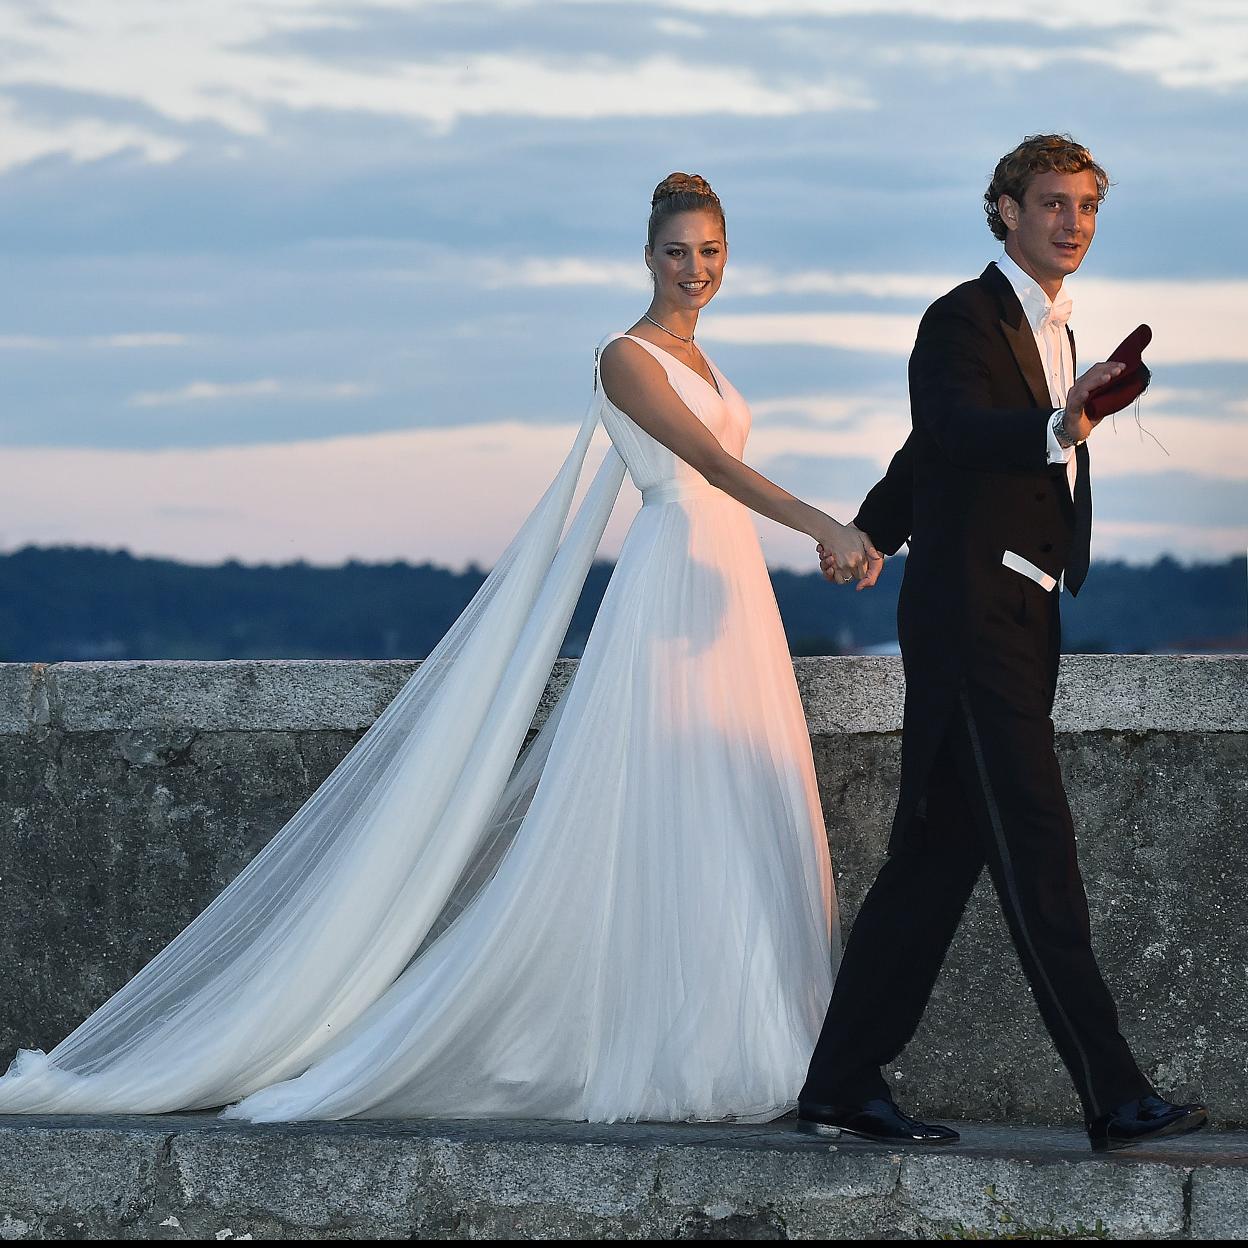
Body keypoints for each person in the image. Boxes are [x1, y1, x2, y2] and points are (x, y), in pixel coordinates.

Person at [0, 173, 874, 1124]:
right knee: (667, 811)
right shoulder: (626, 357)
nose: (693, 269)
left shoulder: (710, 364)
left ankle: (745, 1035)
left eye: (709, 251)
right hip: (670, 580)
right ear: (646, 255)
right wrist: (821, 522)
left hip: (731, 589)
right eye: (675, 251)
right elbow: (707, 466)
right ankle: (664, 1046)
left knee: (733, 811)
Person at [798, 134, 1210, 1153]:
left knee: (933, 864)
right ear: (1006, 211)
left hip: (1027, 621)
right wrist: (1056, 423)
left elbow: (921, 456)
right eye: (1053, 204)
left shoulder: (1062, 333)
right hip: (970, 618)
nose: (1073, 223)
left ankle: (840, 1086)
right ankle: (1114, 1095)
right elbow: (954, 425)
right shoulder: (959, 319)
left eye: (1087, 207)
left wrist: (872, 532)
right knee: (1039, 849)